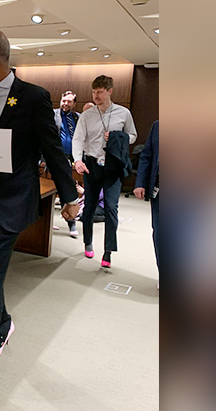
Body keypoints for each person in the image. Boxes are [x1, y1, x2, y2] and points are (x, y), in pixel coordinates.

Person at [0, 29, 79, 409]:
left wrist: (69, 197)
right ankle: (3, 325)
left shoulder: (34, 98)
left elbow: (53, 151)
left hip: (8, 207)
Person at [73, 75, 137, 269]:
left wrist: (119, 137)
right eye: (94, 92)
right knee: (90, 206)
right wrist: (77, 160)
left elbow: (133, 135)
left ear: (110, 91)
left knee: (111, 208)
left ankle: (108, 251)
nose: (96, 95)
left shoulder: (123, 113)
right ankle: (88, 242)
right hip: (91, 164)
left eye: (100, 91)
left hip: (113, 166)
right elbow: (78, 139)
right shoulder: (87, 115)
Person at [134, 120, 159, 285]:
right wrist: (140, 183)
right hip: (160, 188)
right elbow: (147, 156)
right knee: (160, 232)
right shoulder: (158, 126)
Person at [54, 90, 81, 236]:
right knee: (52, 189)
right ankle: (49, 222)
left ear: (74, 104)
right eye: (64, 100)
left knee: (71, 189)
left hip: (74, 157)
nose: (65, 103)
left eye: (69, 101)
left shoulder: (78, 118)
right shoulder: (53, 115)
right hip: (56, 157)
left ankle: (71, 221)